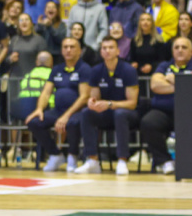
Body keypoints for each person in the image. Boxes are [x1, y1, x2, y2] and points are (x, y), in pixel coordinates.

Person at [140, 36, 192, 175]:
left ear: (191, 51)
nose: (180, 50)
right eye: (176, 47)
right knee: (148, 122)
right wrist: (182, 83)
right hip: (164, 111)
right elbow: (155, 85)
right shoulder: (164, 65)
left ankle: (190, 162)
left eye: (184, 47)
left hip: (189, 113)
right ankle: (165, 161)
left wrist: (173, 79)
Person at [26, 37, 91, 172]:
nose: (68, 50)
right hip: (58, 110)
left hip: (77, 112)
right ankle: (55, 154)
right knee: (34, 122)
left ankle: (73, 157)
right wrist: (39, 109)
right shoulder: (57, 69)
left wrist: (66, 116)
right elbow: (46, 92)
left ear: (79, 51)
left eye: (72, 47)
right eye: (65, 47)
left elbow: (84, 97)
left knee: (73, 123)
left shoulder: (84, 69)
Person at [76, 37, 139, 176]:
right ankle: (92, 160)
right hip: (107, 112)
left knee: (120, 114)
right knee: (87, 113)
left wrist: (110, 104)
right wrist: (93, 102)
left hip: (128, 113)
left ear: (118, 51)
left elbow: (132, 103)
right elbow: (94, 96)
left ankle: (122, 160)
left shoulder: (128, 70)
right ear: (101, 51)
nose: (107, 51)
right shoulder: (96, 70)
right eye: (104, 48)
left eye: (111, 47)